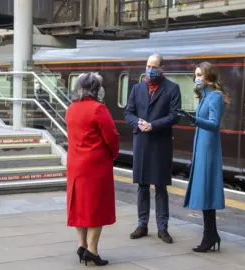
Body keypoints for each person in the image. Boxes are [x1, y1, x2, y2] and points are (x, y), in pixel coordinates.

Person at [124, 54, 182, 244]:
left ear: (161, 68)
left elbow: (175, 115)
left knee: (160, 186)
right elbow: (128, 112)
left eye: (154, 66)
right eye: (148, 65)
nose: (150, 69)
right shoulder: (137, 88)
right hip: (141, 141)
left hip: (160, 143)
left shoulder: (172, 88)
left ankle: (162, 228)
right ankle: (142, 224)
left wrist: (153, 125)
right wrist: (137, 123)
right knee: (142, 185)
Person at [65, 72, 119, 266]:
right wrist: (112, 155)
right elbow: (112, 137)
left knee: (79, 206)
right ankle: (92, 250)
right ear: (96, 89)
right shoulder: (98, 109)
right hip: (95, 166)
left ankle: (81, 246)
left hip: (75, 165)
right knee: (96, 208)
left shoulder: (71, 109)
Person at [180, 61, 230, 252]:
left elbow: (214, 124)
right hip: (202, 147)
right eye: (195, 75)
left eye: (199, 74)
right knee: (205, 192)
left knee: (207, 191)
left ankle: (209, 235)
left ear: (208, 77)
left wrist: (194, 119)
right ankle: (211, 234)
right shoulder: (204, 97)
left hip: (208, 149)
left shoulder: (215, 97)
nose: (196, 78)